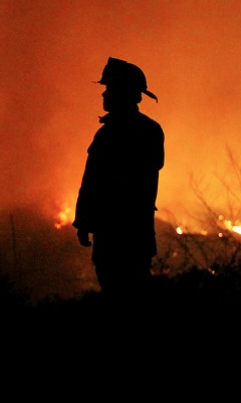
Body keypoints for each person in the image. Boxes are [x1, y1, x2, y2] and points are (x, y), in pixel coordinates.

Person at [73, 57, 164, 302]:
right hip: (135, 233)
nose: (104, 95)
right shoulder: (150, 130)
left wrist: (84, 221)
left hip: (115, 233)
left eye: (110, 89)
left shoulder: (111, 134)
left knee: (119, 295)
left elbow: (94, 182)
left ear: (124, 93)